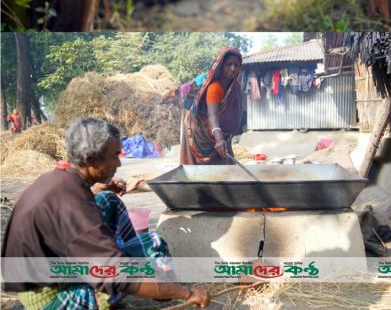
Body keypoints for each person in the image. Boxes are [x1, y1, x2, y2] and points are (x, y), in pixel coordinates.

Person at [1, 118, 210, 309]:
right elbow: (116, 274)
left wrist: (101, 188)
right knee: (116, 281)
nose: (119, 164)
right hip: (46, 295)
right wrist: (186, 292)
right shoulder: (73, 205)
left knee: (110, 202)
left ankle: (146, 274)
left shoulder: (61, 180)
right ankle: (147, 282)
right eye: (113, 157)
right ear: (90, 159)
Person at [181, 47, 243, 165]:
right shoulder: (215, 87)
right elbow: (212, 115)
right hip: (200, 130)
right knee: (207, 167)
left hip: (219, 131)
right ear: (221, 65)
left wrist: (221, 138)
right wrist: (219, 139)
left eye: (236, 65)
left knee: (225, 161)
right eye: (229, 64)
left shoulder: (234, 87)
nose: (233, 68)